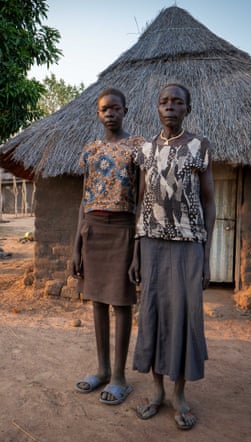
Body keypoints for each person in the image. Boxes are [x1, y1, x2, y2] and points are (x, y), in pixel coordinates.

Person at [129, 83, 216, 430]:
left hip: (188, 246)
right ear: (156, 108)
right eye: (164, 102)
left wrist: (206, 254)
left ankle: (179, 395)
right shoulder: (145, 150)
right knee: (151, 315)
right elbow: (140, 201)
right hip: (151, 245)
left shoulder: (199, 147)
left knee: (183, 317)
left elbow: (209, 201)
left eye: (177, 102)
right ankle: (156, 392)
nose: (170, 107)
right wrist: (136, 253)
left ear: (187, 108)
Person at [71, 88, 144, 405]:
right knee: (97, 302)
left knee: (121, 303)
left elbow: (142, 200)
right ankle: (101, 370)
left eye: (115, 108)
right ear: (98, 114)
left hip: (123, 229)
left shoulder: (137, 148)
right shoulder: (90, 150)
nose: (110, 113)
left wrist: (138, 244)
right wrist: (76, 246)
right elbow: (83, 200)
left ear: (125, 110)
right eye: (104, 109)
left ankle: (119, 377)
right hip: (93, 230)